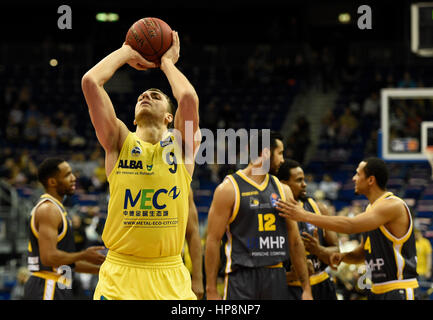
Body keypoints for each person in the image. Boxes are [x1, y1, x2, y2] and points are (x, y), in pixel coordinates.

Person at [81, 31, 201, 300]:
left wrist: (167, 62)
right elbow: (90, 82)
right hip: (120, 273)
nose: (146, 95)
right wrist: (128, 51)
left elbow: (189, 99)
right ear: (133, 118)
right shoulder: (118, 140)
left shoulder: (182, 147)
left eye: (155, 96)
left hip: (169, 273)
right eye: (141, 96)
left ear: (170, 117)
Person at [277, 157, 419, 300]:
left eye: (358, 174)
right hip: (376, 289)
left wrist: (304, 215)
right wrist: (341, 257)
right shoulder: (371, 209)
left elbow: (350, 226)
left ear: (370, 180)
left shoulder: (392, 205)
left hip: (399, 288)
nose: (353, 178)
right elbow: (363, 253)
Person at [205, 131, 312, 300]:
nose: (283, 160)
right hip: (241, 277)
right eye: (280, 153)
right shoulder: (228, 189)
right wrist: (211, 289)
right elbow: (212, 240)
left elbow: (295, 241)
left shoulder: (283, 190)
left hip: (276, 273)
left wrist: (306, 288)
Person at [23, 158, 105, 300]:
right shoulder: (48, 209)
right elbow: (49, 258)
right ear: (52, 182)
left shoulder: (58, 209)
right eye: (67, 175)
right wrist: (84, 255)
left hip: (59, 285)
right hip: (47, 285)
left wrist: (104, 270)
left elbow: (66, 262)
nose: (74, 178)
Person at [276, 159, 339, 300]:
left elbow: (336, 253)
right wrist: (294, 274)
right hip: (291, 288)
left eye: (304, 179)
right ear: (283, 184)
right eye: (299, 180)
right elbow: (264, 273)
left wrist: (318, 250)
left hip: (322, 284)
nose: (305, 184)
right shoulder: (273, 215)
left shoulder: (319, 208)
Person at [185, 189, 204, 299]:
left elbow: (192, 232)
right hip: (127, 266)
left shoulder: (182, 182)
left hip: (171, 268)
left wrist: (198, 278)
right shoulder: (123, 176)